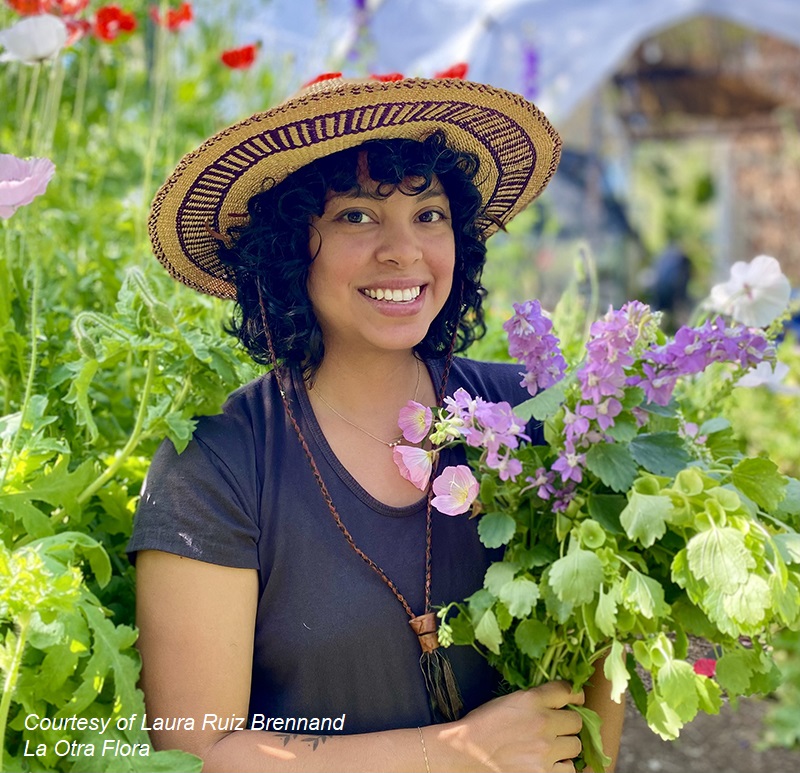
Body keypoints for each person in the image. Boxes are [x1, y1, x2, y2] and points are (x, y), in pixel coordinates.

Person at [130, 73, 625, 772]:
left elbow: (598, 675)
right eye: (357, 215)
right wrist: (457, 753)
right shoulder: (216, 463)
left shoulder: (537, 417)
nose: (404, 250)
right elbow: (195, 750)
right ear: (285, 248)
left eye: (429, 214)